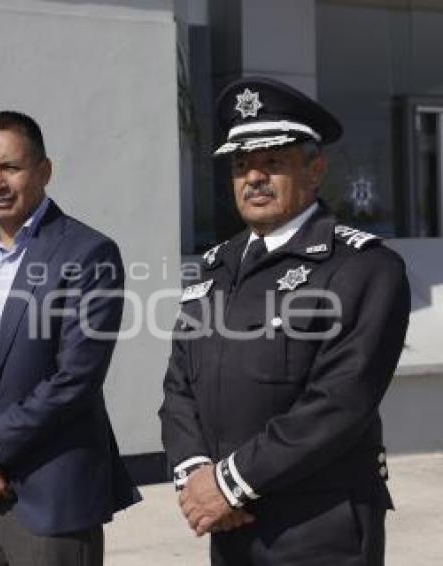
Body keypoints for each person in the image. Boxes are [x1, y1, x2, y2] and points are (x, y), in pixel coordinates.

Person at [159, 77, 411, 565]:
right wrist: (196, 476)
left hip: (318, 528)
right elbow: (178, 385)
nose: (253, 178)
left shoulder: (362, 267)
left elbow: (340, 402)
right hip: (230, 528)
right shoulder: (216, 266)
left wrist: (228, 484)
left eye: (272, 162)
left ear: (314, 169)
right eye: (240, 165)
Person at [0, 111, 140, 565]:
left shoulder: (88, 253)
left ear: (44, 170)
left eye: (11, 167)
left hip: (51, 497)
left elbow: (76, 378)